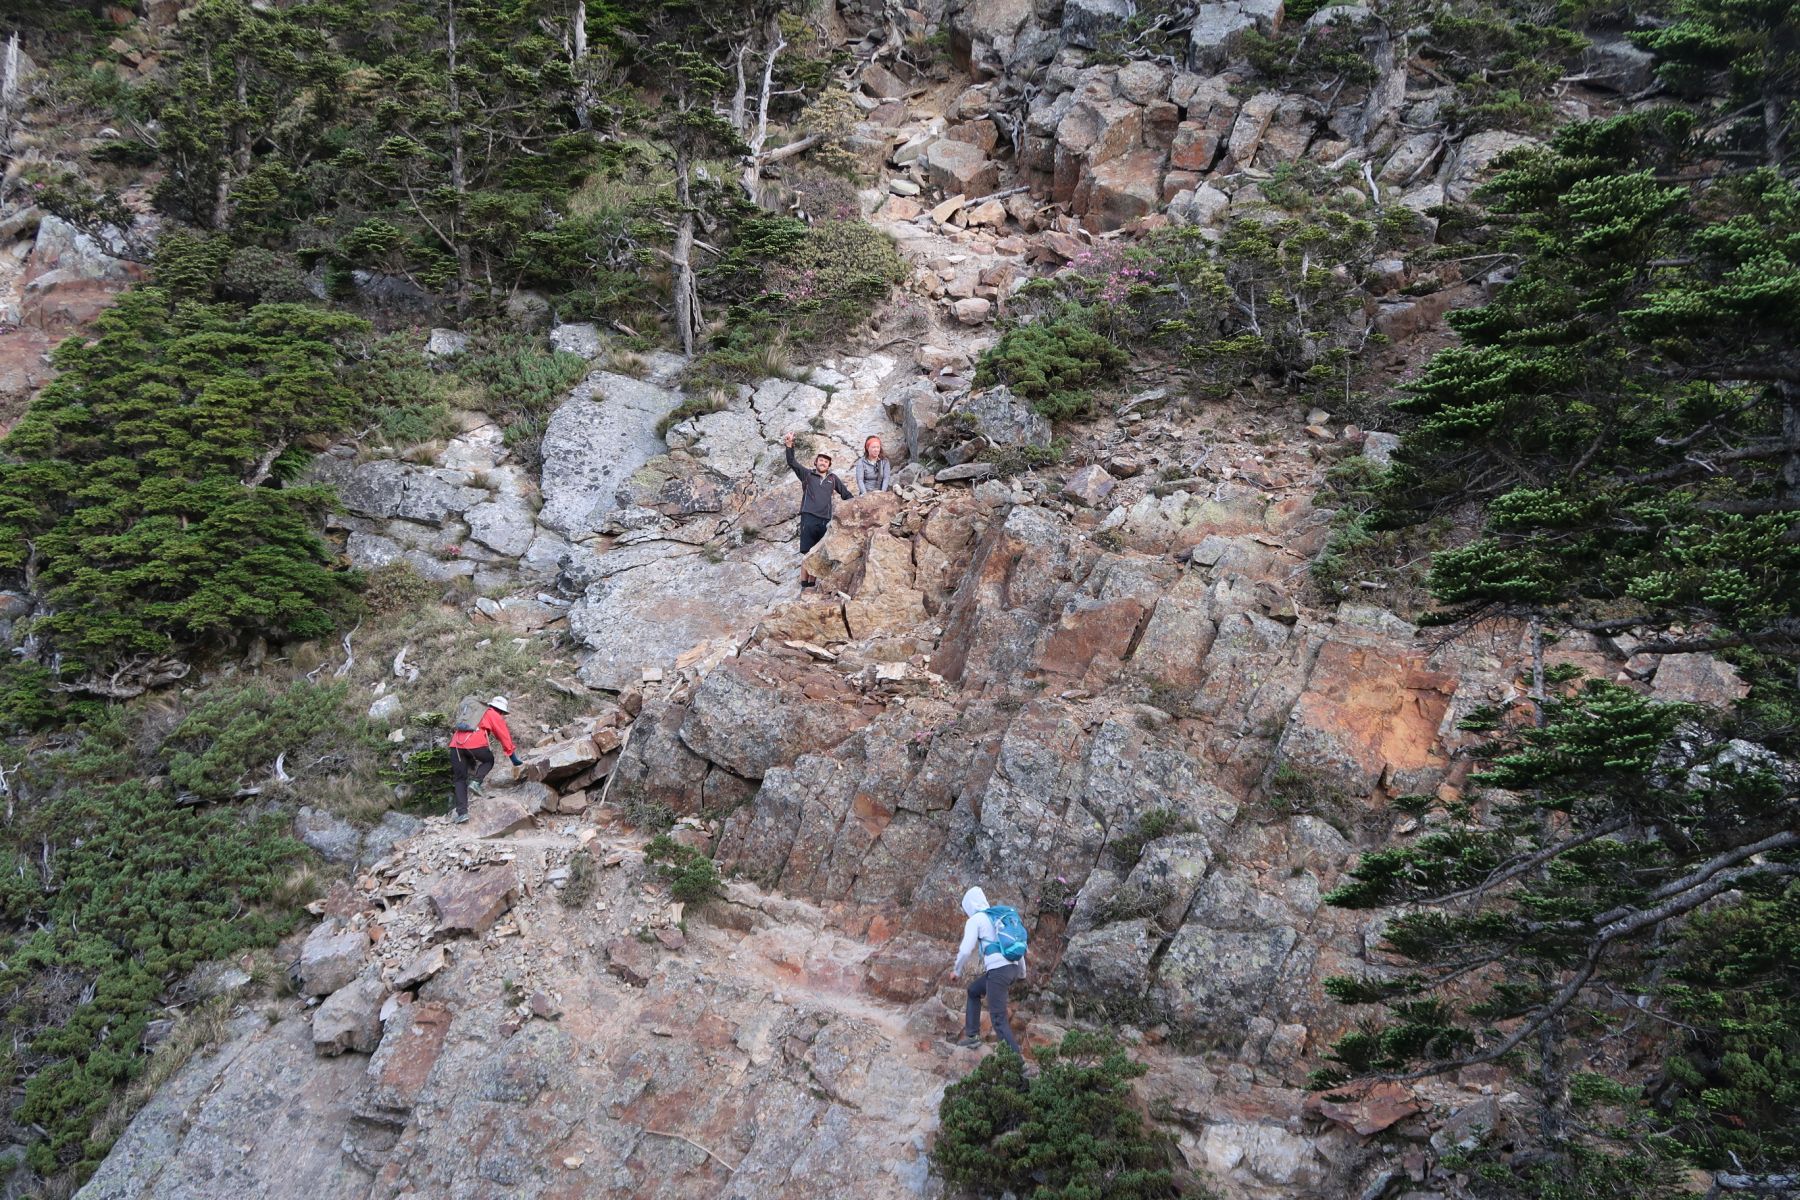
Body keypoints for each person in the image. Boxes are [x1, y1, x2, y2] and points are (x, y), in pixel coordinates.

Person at [952, 886, 1025, 1054]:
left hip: (998, 972)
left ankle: (1018, 1063)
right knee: (973, 990)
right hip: (1010, 969)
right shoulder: (998, 918)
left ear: (969, 905)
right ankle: (972, 1036)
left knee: (998, 1019)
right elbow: (1016, 945)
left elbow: (965, 950)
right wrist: (1021, 973)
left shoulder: (976, 920)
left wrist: (957, 970)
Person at [783, 431, 851, 589]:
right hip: (809, 517)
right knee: (807, 552)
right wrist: (789, 445)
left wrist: (858, 504)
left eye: (826, 461)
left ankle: (811, 585)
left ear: (829, 465)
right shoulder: (807, 475)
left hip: (825, 520)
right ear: (816, 462)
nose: (823, 463)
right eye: (821, 460)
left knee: (818, 554)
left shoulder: (833, 479)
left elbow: (846, 494)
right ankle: (804, 584)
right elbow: (792, 462)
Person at [448, 695, 520, 824]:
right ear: (500, 710)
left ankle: (462, 813)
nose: (502, 715)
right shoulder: (492, 714)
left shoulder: (475, 711)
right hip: (475, 744)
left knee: (460, 779)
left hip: (456, 745)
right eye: (502, 712)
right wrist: (513, 757)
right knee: (489, 760)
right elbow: (504, 736)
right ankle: (476, 782)